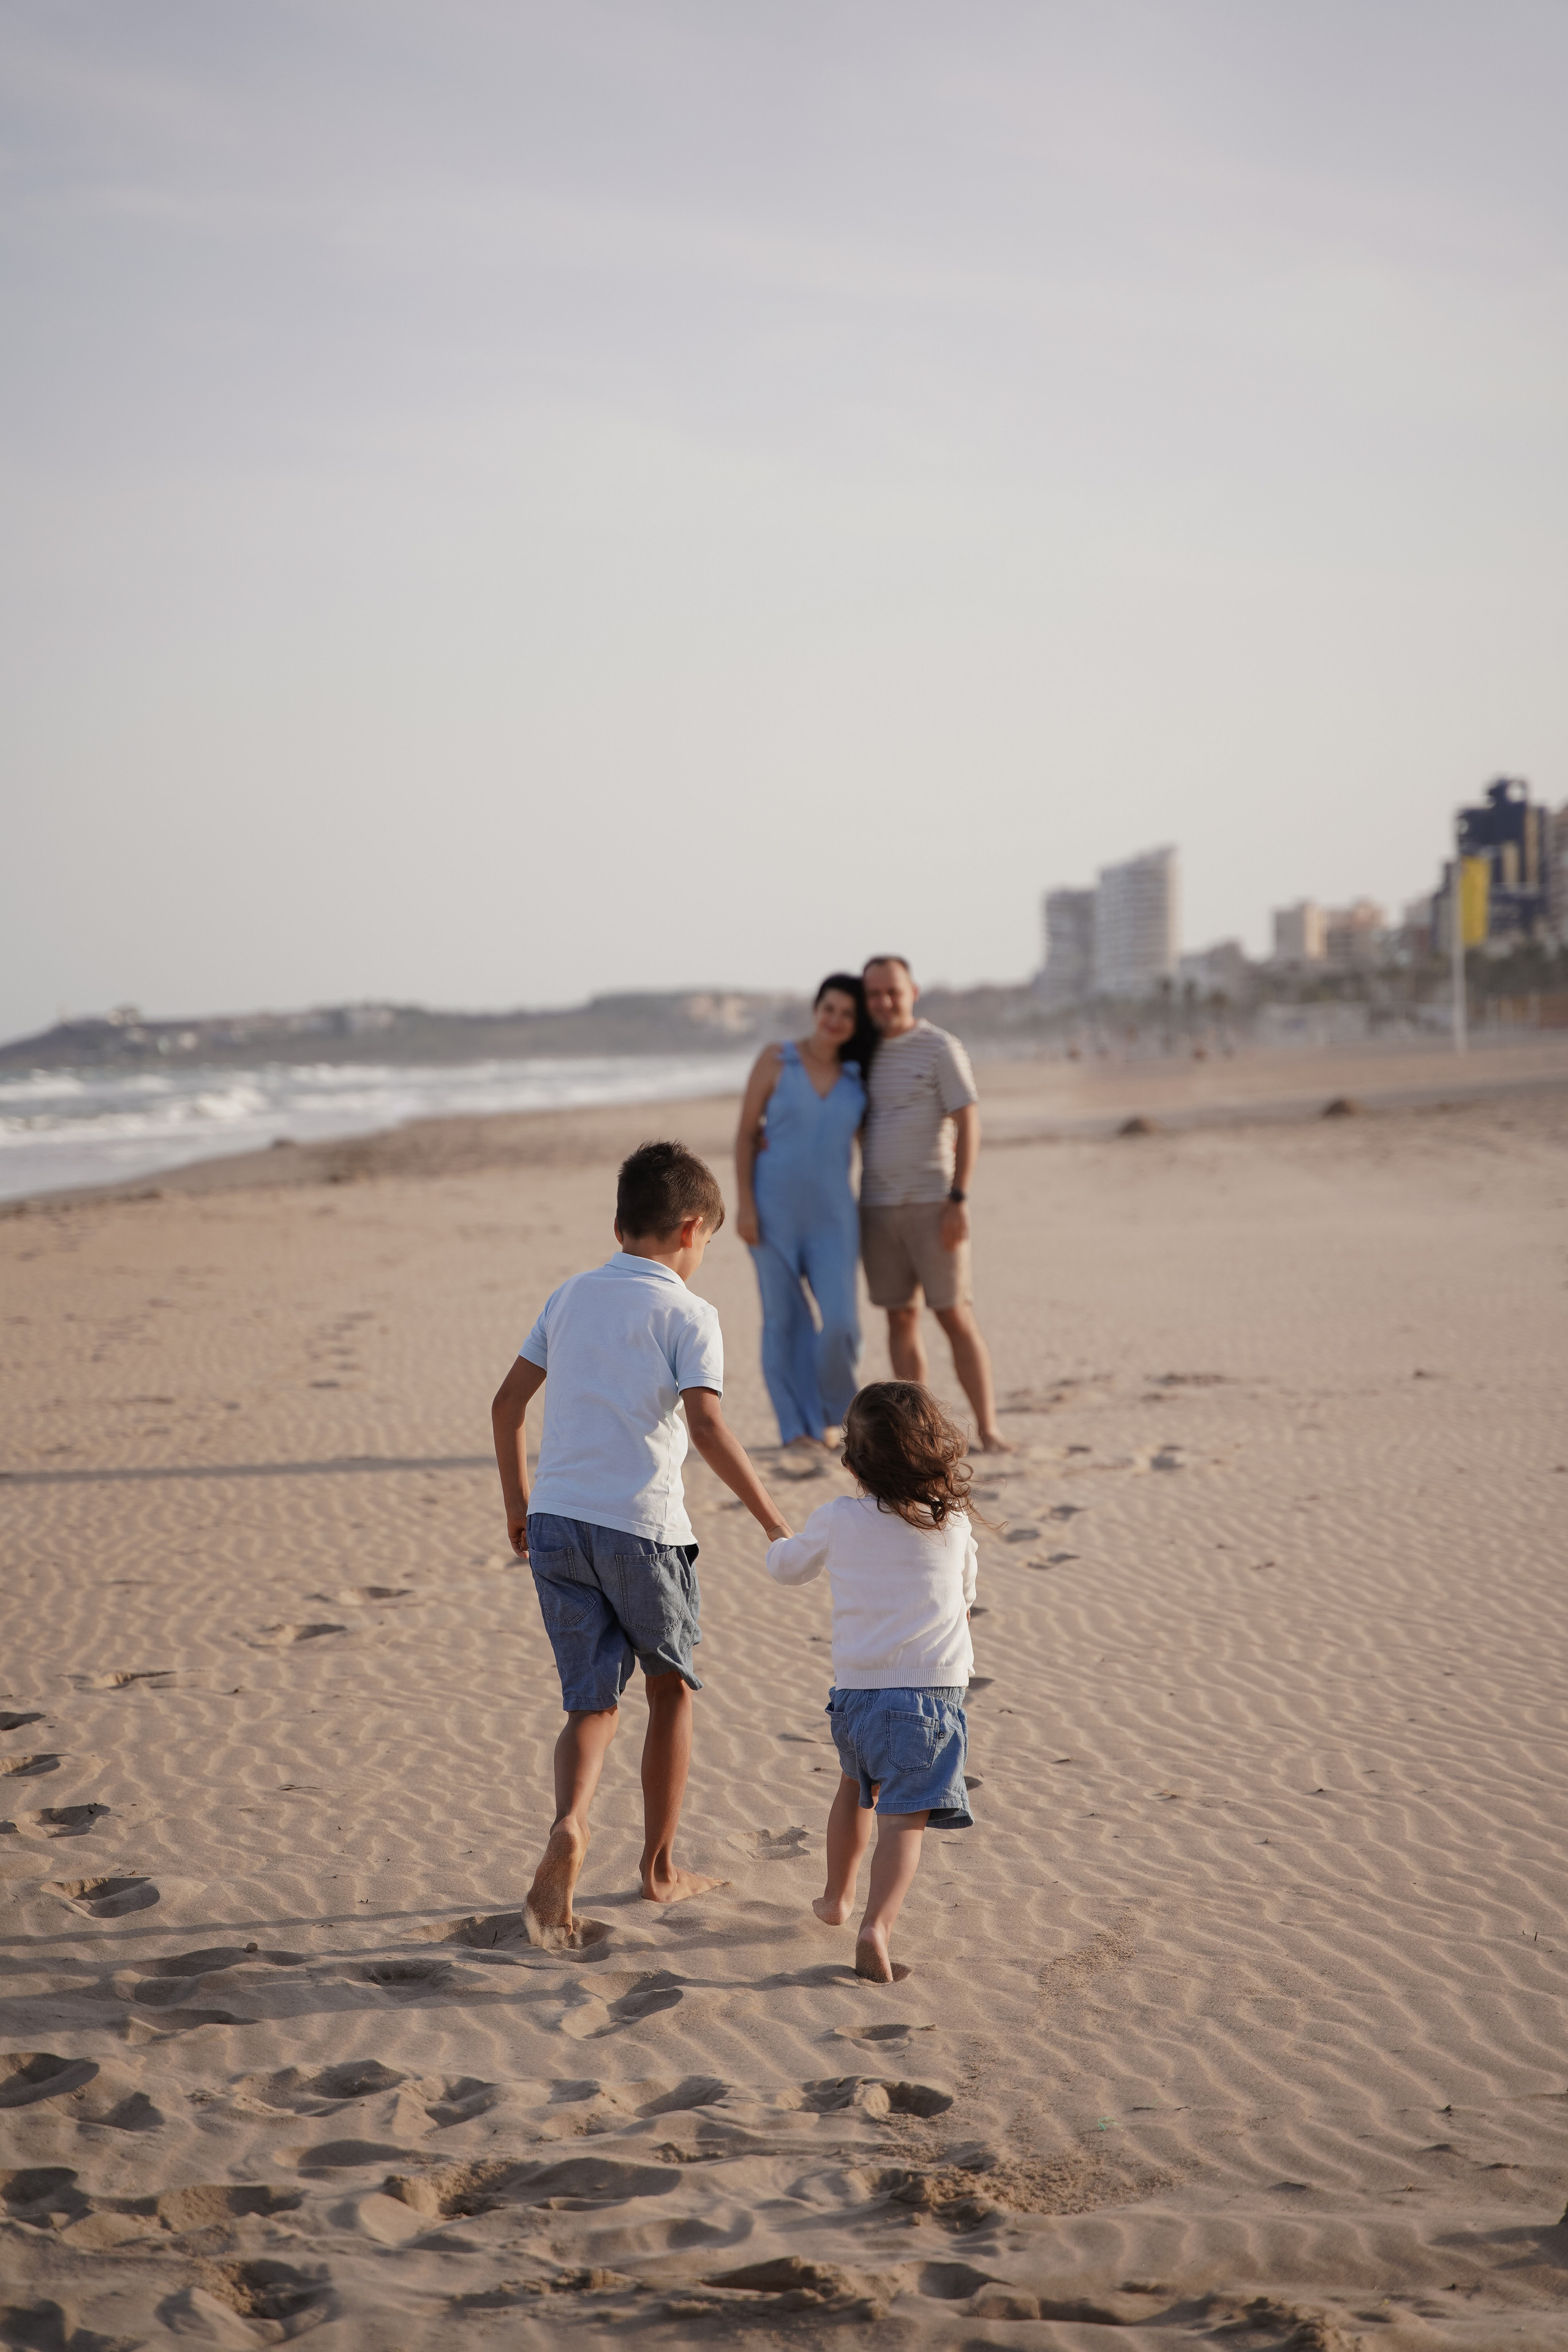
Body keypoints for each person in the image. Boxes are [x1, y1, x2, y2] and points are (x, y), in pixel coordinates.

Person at [491, 1140, 792, 1947]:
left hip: (555, 1521)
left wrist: (519, 1504)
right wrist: (772, 1518)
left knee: (591, 1701)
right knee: (668, 1689)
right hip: (642, 1529)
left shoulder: (570, 1296)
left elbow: (506, 1406)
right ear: (691, 1229)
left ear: (621, 1220)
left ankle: (571, 1823)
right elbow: (708, 1426)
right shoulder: (689, 1314)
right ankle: (659, 1869)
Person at [764, 1380, 978, 1982]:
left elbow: (786, 1568)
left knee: (855, 1786)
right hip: (931, 1694)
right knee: (905, 1817)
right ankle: (876, 1926)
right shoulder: (952, 1524)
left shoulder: (836, 1518)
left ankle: (835, 1898)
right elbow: (965, 1596)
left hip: (856, 1691)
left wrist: (777, 1537)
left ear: (851, 1461)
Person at [859, 955, 1012, 1454]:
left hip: (934, 1202)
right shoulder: (860, 1053)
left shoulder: (940, 1047)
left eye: (892, 991)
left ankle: (989, 1429)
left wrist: (959, 1197)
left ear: (912, 992)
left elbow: (969, 1121)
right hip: (877, 1207)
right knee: (900, 1318)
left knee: (953, 1314)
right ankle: (916, 1430)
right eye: (874, 993)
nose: (883, 1001)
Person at [734, 974, 877, 1451]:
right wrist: (746, 1206)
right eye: (829, 1008)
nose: (835, 1020)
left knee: (841, 1323)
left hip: (835, 1219)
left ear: (857, 1025)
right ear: (816, 1009)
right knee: (784, 1321)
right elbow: (744, 1135)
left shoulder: (859, 1079)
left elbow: (873, 1146)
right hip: (773, 1212)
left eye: (847, 1015)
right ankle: (797, 1429)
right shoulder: (777, 1059)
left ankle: (836, 1414)